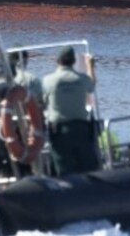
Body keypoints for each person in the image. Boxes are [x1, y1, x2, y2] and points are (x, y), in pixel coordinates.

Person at [41, 45, 99, 176]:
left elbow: (41, 102)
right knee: (88, 168)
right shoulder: (82, 79)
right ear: (73, 61)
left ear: (57, 60)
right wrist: (90, 65)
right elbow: (92, 85)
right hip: (81, 129)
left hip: (59, 132)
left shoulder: (48, 81)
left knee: (63, 170)